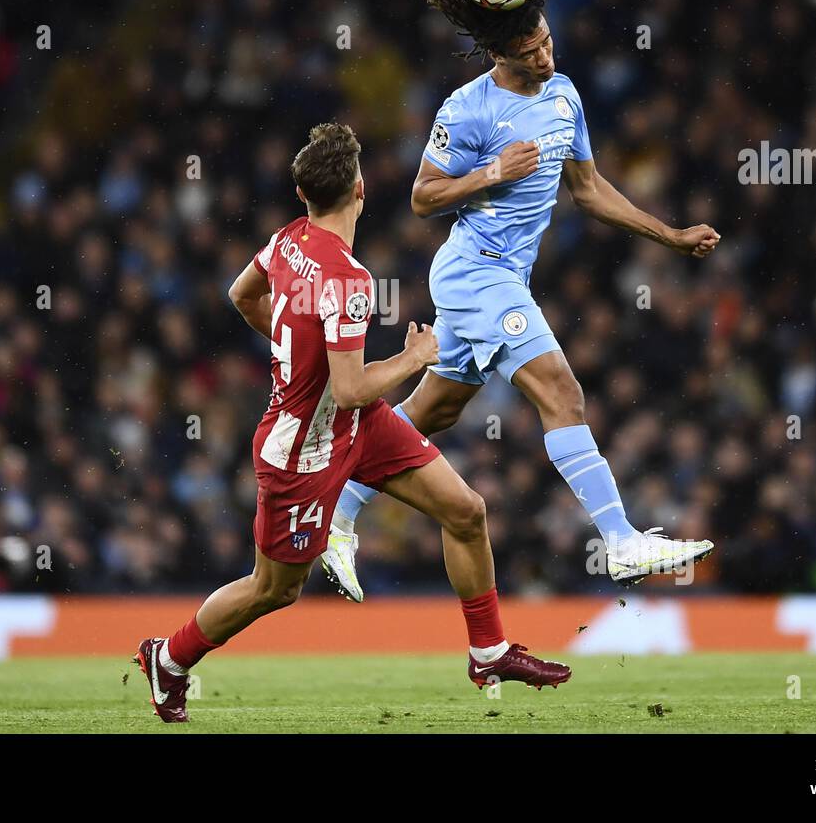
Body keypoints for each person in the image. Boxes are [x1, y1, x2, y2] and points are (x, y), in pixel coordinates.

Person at [322, 0, 719, 603]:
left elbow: (588, 190)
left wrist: (670, 235)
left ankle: (338, 513)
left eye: (546, 43)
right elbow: (421, 197)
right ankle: (620, 539)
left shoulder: (565, 95)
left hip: (502, 277)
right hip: (475, 272)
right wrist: (490, 174)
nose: (544, 57)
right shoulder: (468, 109)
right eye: (530, 52)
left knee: (433, 411)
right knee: (561, 392)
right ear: (501, 57)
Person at [136, 123, 570, 723]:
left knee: (466, 510)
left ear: (304, 197)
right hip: (304, 449)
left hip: (357, 425)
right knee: (273, 589)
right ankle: (171, 658)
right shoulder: (350, 280)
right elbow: (347, 387)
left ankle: (487, 650)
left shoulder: (288, 240)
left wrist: (297, 349)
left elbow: (242, 295)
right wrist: (413, 359)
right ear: (361, 190)